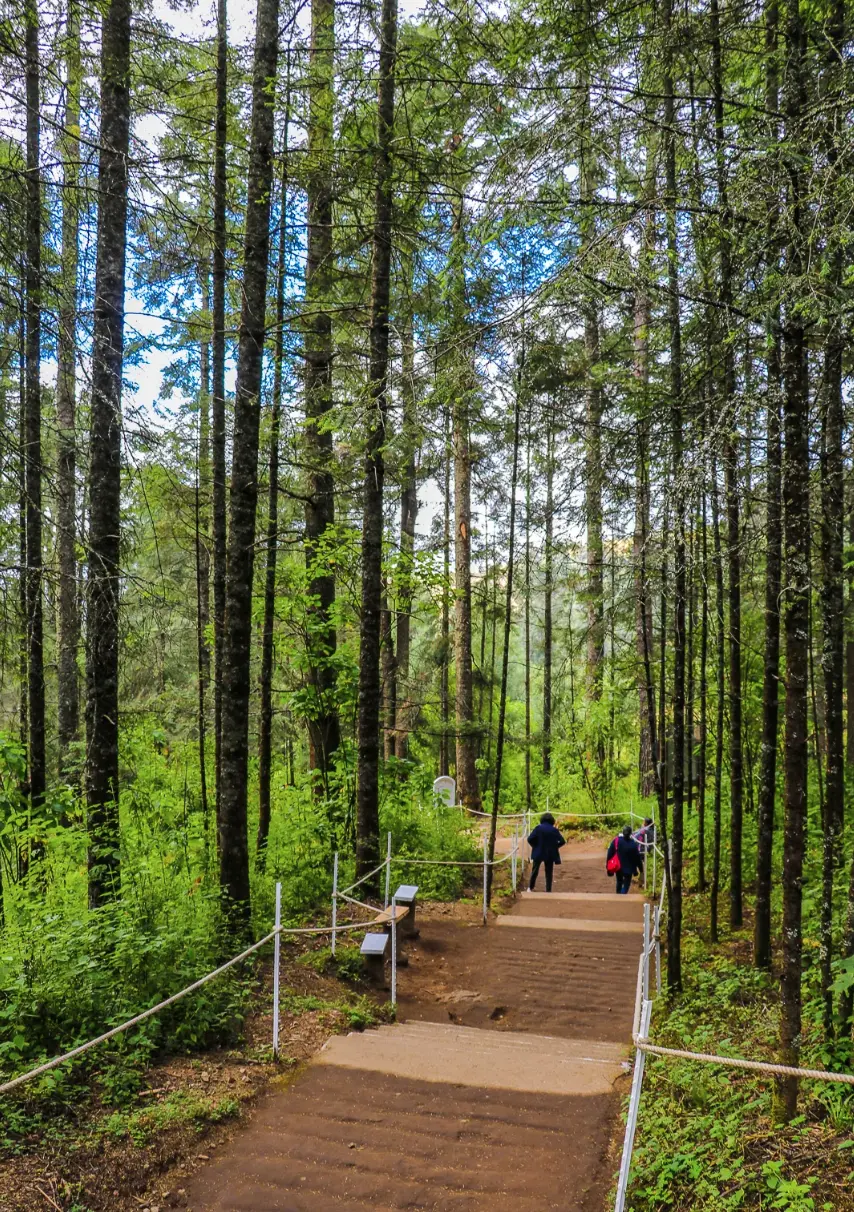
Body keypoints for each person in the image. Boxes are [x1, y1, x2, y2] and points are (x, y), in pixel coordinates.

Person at [527, 812, 566, 892]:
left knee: (535, 870)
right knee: (549, 872)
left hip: (538, 852)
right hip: (550, 853)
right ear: (552, 820)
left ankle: (530, 887)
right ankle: (548, 890)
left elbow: (530, 839)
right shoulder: (554, 830)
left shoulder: (538, 828)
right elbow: (562, 841)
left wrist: (535, 846)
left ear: (542, 819)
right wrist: (555, 846)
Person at [607, 824, 644, 895]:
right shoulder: (633, 844)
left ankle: (618, 896)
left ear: (623, 832)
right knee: (626, 885)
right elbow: (637, 859)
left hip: (618, 867)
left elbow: (610, 853)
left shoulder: (616, 841)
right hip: (629, 869)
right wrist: (640, 870)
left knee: (619, 881)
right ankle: (622, 895)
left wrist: (608, 867)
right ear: (631, 834)